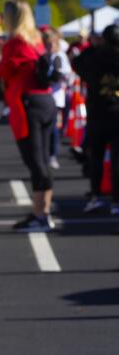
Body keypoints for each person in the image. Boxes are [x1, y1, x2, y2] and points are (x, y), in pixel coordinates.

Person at [0, 0, 57, 232]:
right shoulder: (36, 40)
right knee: (42, 160)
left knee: (35, 162)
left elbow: (4, 72)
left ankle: (40, 215)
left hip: (27, 104)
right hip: (45, 100)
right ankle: (43, 211)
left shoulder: (14, 43)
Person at [73, 24, 119, 215]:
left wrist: (94, 46)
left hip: (98, 111)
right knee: (117, 159)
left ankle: (96, 196)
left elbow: (77, 64)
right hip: (116, 112)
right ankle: (116, 200)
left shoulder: (93, 56)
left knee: (96, 157)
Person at [41, 27, 72, 170]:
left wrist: (56, 77)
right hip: (43, 97)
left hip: (55, 97)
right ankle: (45, 155)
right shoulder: (43, 56)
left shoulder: (60, 56)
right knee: (43, 128)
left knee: (52, 127)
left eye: (51, 43)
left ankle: (52, 155)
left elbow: (65, 75)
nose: (49, 46)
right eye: (46, 43)